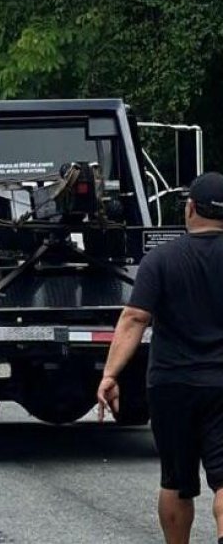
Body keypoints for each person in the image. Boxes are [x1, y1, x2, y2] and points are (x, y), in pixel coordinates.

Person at [97, 171, 223, 544]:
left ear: (189, 208)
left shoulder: (161, 259)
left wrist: (110, 374)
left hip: (171, 385)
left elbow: (135, 317)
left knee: (175, 481)